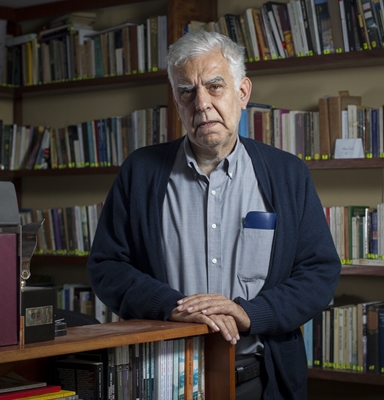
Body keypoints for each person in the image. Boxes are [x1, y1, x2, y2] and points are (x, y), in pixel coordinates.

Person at [87, 29, 341, 399]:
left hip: (262, 380)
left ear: (243, 92)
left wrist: (250, 313)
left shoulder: (287, 173)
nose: (202, 104)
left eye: (215, 86)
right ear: (176, 101)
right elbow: (106, 266)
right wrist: (171, 307)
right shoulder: (140, 172)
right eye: (187, 91)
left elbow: (319, 272)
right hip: (162, 380)